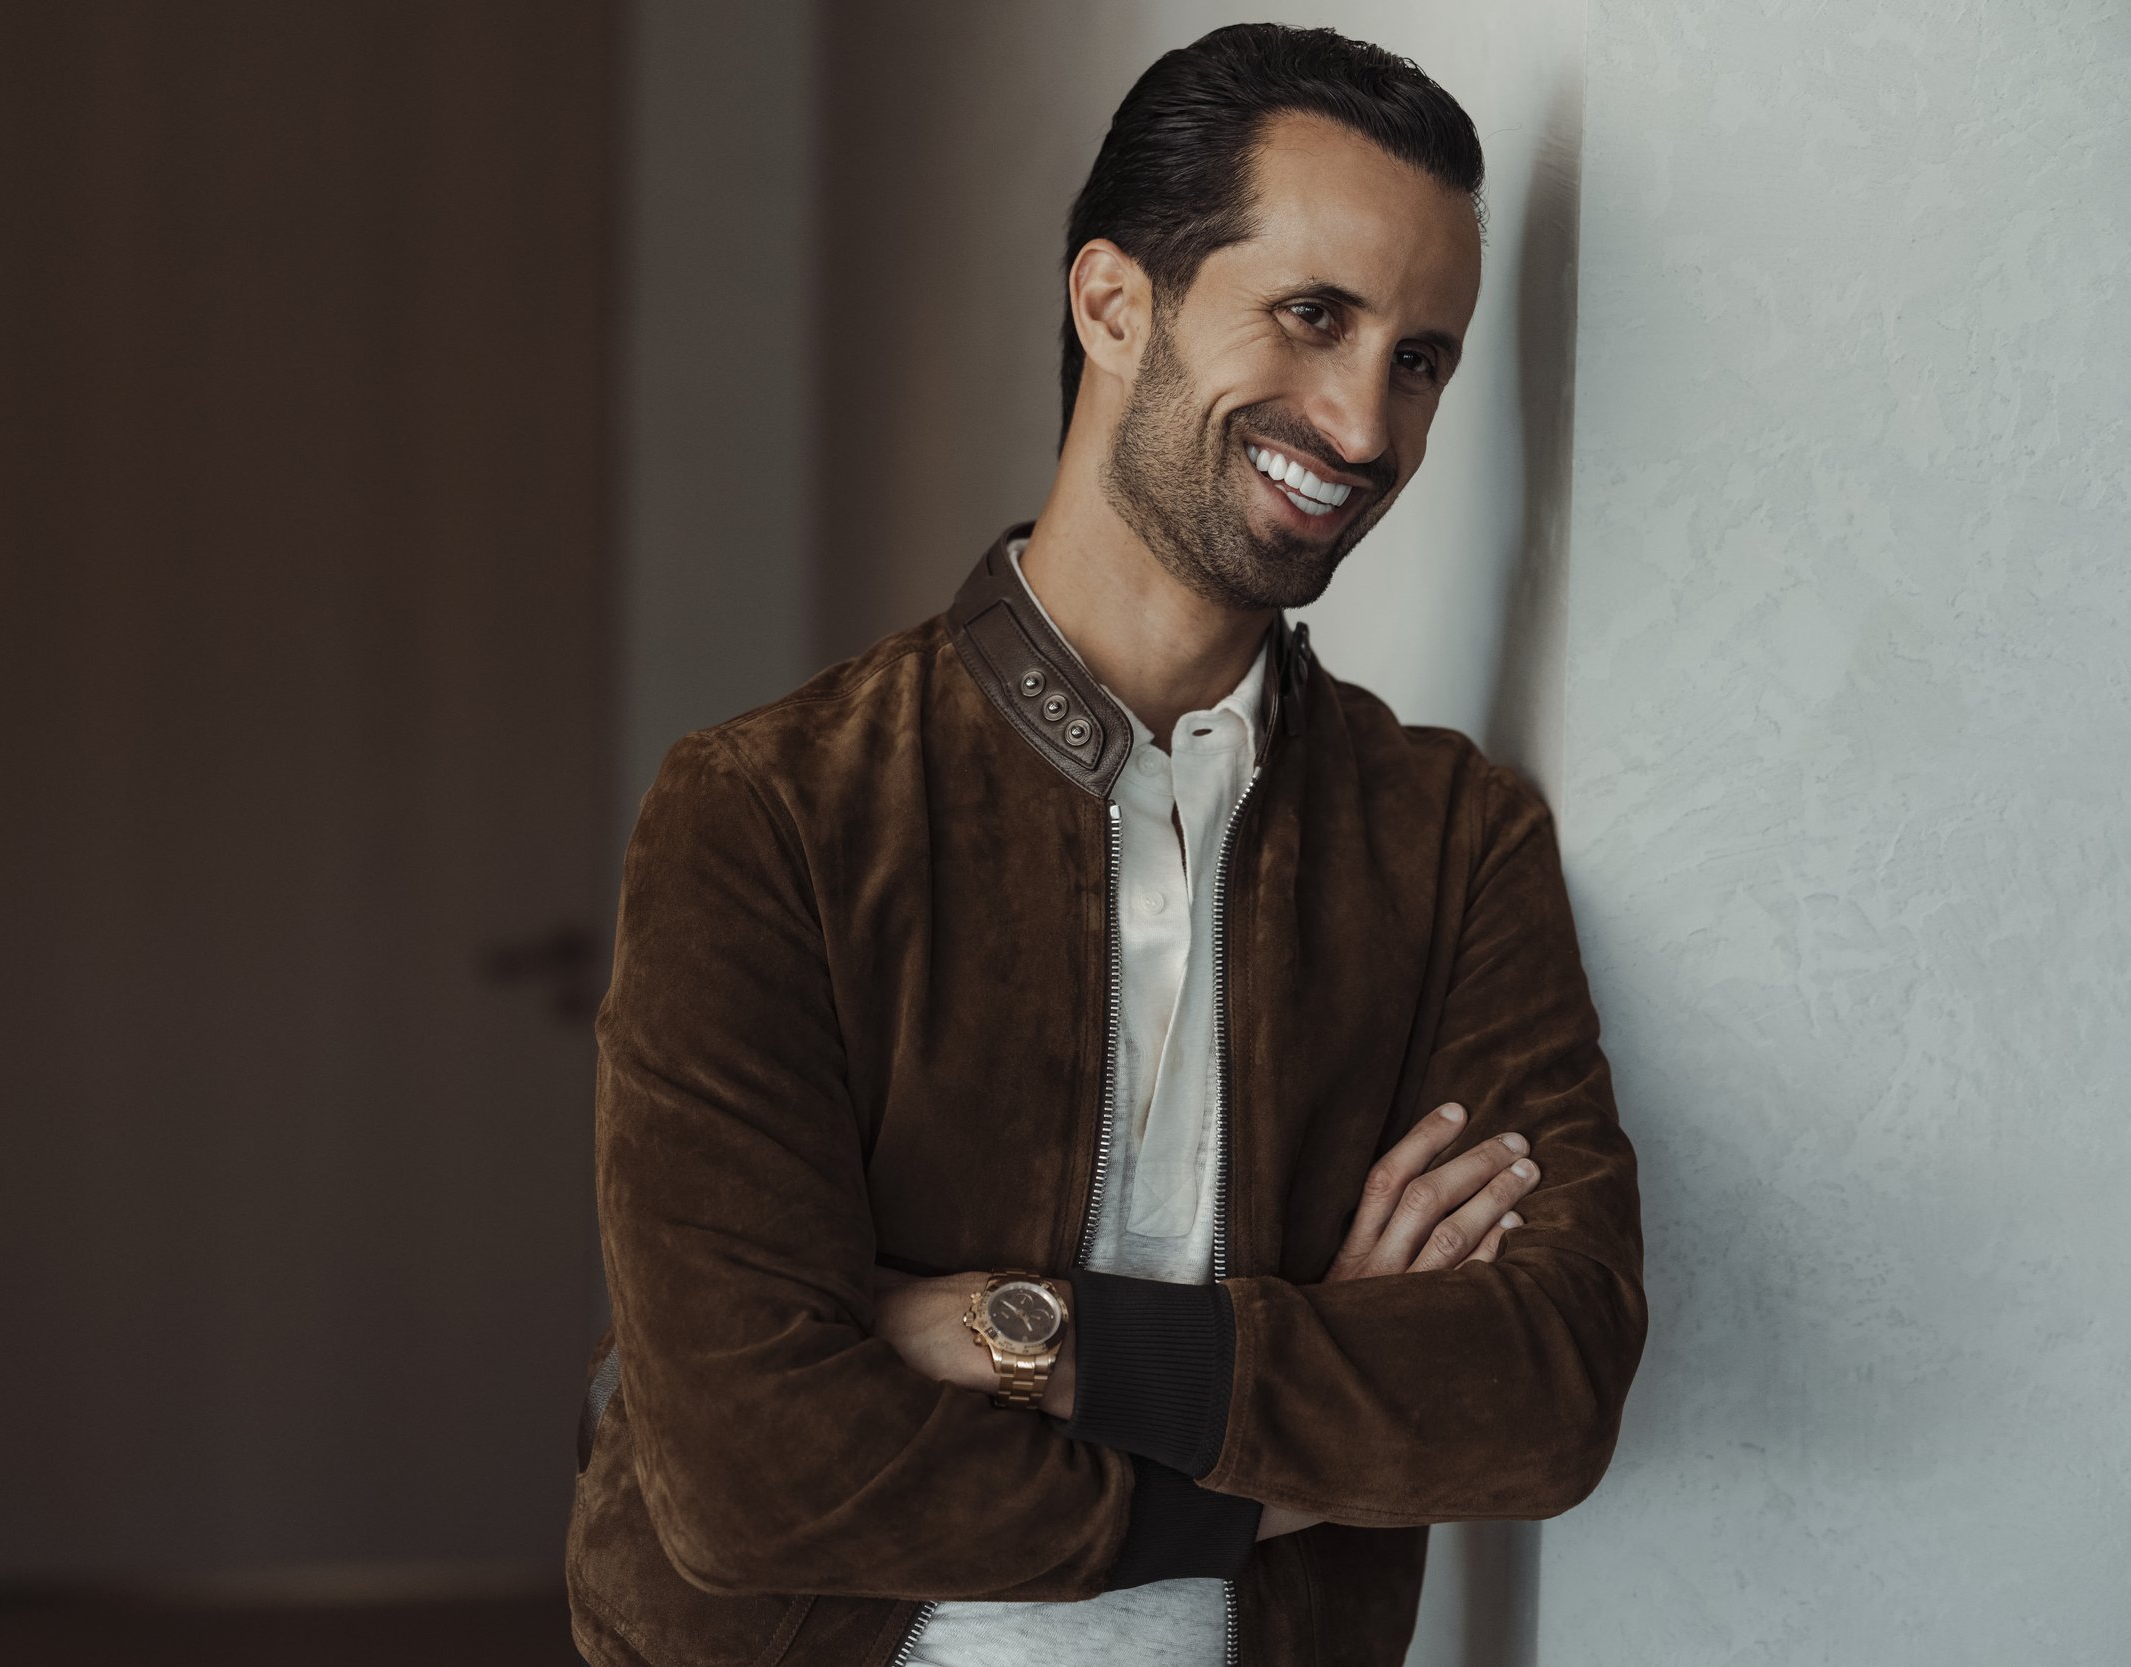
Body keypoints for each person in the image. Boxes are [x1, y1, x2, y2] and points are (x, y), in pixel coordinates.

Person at [567, 23, 1646, 1667]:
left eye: (1420, 358)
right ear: (1113, 303)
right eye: (1314, 316)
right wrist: (1305, 1425)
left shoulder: (1452, 843)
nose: (1364, 426)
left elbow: (1546, 1390)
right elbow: (742, 1471)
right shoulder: (769, 813)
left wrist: (1030, 1338)